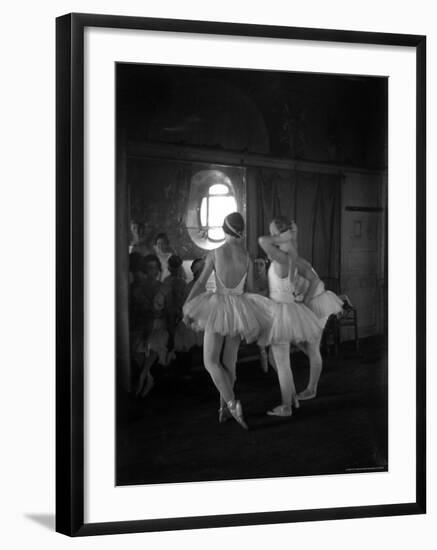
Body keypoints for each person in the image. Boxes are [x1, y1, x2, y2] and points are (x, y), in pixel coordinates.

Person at [183, 212, 272, 429]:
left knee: (211, 362)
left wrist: (188, 305)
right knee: (229, 362)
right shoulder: (247, 257)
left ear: (224, 230)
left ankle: (232, 404)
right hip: (238, 310)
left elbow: (200, 284)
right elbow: (250, 290)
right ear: (240, 231)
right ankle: (223, 409)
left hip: (218, 308)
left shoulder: (215, 253)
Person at [258, 217, 323, 417]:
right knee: (281, 361)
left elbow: (262, 240)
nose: (272, 236)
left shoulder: (281, 257)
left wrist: (280, 236)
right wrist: (287, 236)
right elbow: (312, 278)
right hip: (289, 310)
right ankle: (292, 399)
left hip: (280, 312)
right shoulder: (292, 255)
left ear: (280, 234)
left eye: (275, 232)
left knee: (282, 363)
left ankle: (286, 405)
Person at [130, 254, 169, 398]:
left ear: (158, 269)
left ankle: (143, 375)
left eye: (154, 268)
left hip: (159, 324)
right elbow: (139, 310)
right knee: (135, 343)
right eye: (149, 268)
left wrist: (160, 314)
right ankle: (148, 377)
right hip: (145, 323)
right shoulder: (138, 288)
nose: (152, 271)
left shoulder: (162, 287)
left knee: (154, 341)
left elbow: (167, 309)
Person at [253, 255, 270, 372]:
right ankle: (264, 364)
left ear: (265, 266)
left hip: (269, 311)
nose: (258, 267)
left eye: (261, 264)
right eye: (256, 264)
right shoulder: (253, 281)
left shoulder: (269, 280)